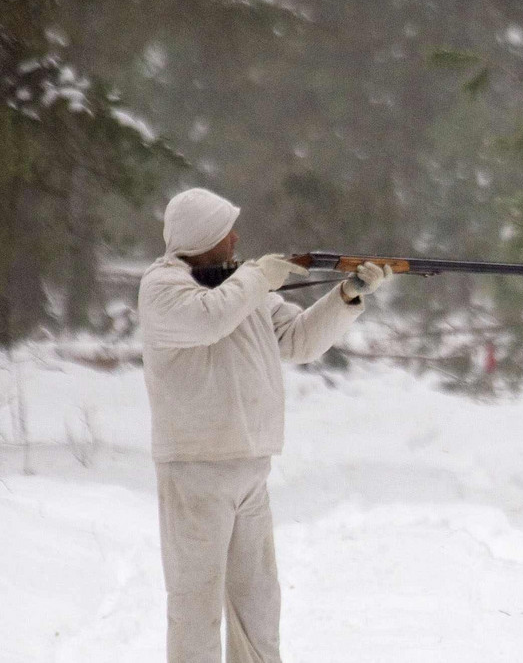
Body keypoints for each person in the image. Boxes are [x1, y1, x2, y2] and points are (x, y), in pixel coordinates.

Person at [137, 188, 391, 662]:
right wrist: (256, 278)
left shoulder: (240, 288)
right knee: (195, 606)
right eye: (223, 230)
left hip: (251, 468)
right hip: (194, 471)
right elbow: (207, 320)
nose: (235, 237)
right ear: (200, 236)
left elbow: (297, 340)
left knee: (259, 605)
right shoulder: (162, 287)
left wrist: (345, 296)